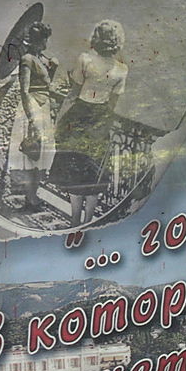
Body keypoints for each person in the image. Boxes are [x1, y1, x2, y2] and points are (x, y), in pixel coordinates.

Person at [49, 20, 128, 227]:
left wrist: (58, 121)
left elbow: (72, 96)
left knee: (76, 174)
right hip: (100, 121)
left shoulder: (85, 59)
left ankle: (74, 222)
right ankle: (88, 223)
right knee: (94, 175)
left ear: (96, 38)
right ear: (118, 42)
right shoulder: (122, 70)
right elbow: (112, 105)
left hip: (78, 117)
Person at [8, 22, 58, 210]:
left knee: (39, 155)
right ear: (39, 40)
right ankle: (30, 199)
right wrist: (32, 119)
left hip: (43, 107)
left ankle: (33, 196)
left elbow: (46, 84)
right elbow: (25, 90)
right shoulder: (27, 59)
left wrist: (52, 68)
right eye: (45, 39)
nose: (46, 43)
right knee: (31, 155)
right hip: (33, 109)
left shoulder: (40, 59)